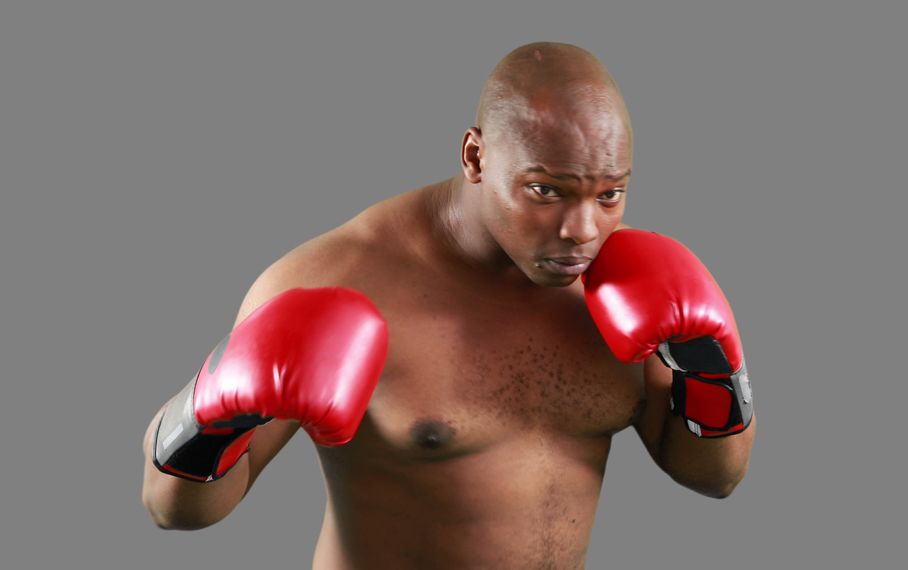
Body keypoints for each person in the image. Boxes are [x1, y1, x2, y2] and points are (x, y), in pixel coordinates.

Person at [141, 41, 756, 570]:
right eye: (547, 190)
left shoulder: (628, 287)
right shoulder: (339, 280)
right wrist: (212, 407)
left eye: (610, 193)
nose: (582, 230)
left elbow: (713, 475)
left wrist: (711, 369)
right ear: (475, 157)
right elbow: (175, 510)